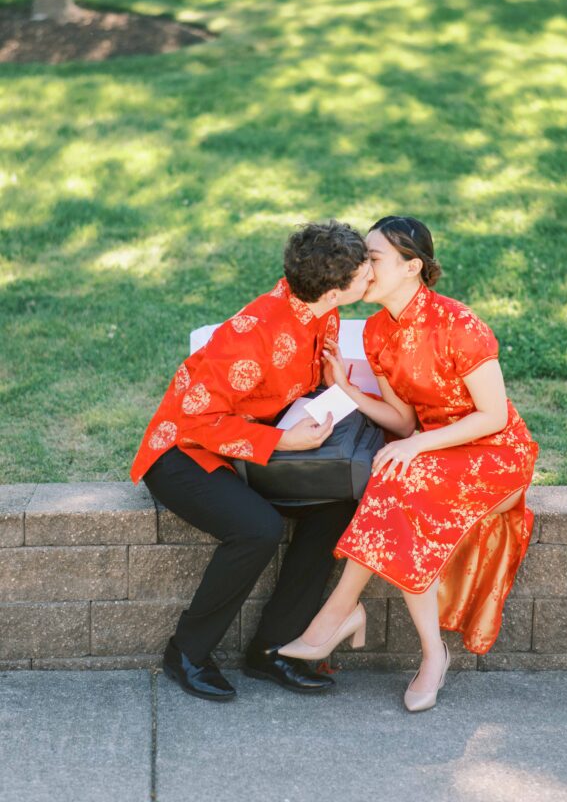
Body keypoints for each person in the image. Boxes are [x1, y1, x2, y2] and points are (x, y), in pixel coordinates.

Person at [279, 216, 539, 712]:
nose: (362, 267)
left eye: (373, 258)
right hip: (437, 452)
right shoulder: (377, 332)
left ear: (412, 266)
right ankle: (429, 653)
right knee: (397, 481)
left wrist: (418, 445)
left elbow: (494, 417)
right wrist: (347, 388)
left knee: (402, 472)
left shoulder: (460, 326)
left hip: (496, 452)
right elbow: (401, 420)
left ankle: (335, 618)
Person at [130, 220, 372, 702]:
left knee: (337, 506)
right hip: (183, 453)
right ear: (333, 290)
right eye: (364, 274)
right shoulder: (251, 335)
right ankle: (186, 653)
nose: (370, 279)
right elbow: (194, 420)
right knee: (257, 528)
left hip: (253, 446)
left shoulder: (320, 311)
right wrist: (286, 444)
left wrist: (328, 385)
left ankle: (272, 650)